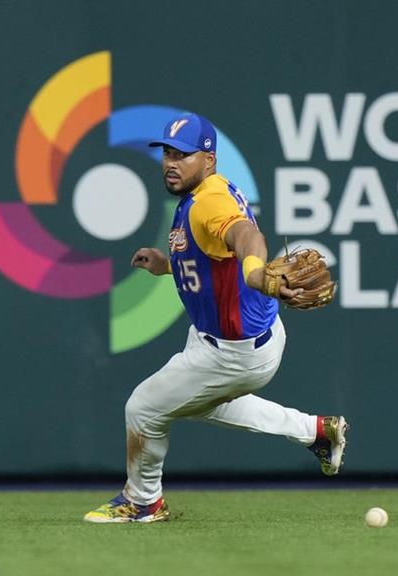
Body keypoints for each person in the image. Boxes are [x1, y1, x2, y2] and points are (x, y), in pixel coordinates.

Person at [83, 112, 348, 523]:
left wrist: (256, 272)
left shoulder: (210, 201)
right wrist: (168, 264)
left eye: (183, 155)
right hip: (240, 336)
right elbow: (211, 255)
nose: (171, 163)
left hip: (232, 352)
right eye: (167, 154)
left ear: (209, 159)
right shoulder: (204, 192)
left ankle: (143, 501)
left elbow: (246, 236)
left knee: (144, 408)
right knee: (193, 402)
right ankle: (315, 431)